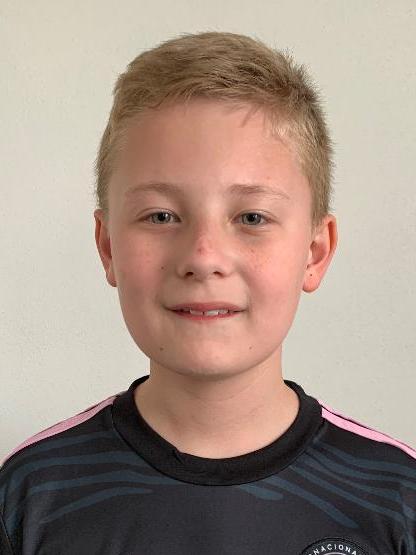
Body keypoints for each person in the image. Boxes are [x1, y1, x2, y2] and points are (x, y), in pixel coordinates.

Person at [1, 31, 415, 555]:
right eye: (161, 216)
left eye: (252, 217)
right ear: (108, 247)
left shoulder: (396, 496)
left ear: (314, 252)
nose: (203, 257)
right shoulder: (30, 495)